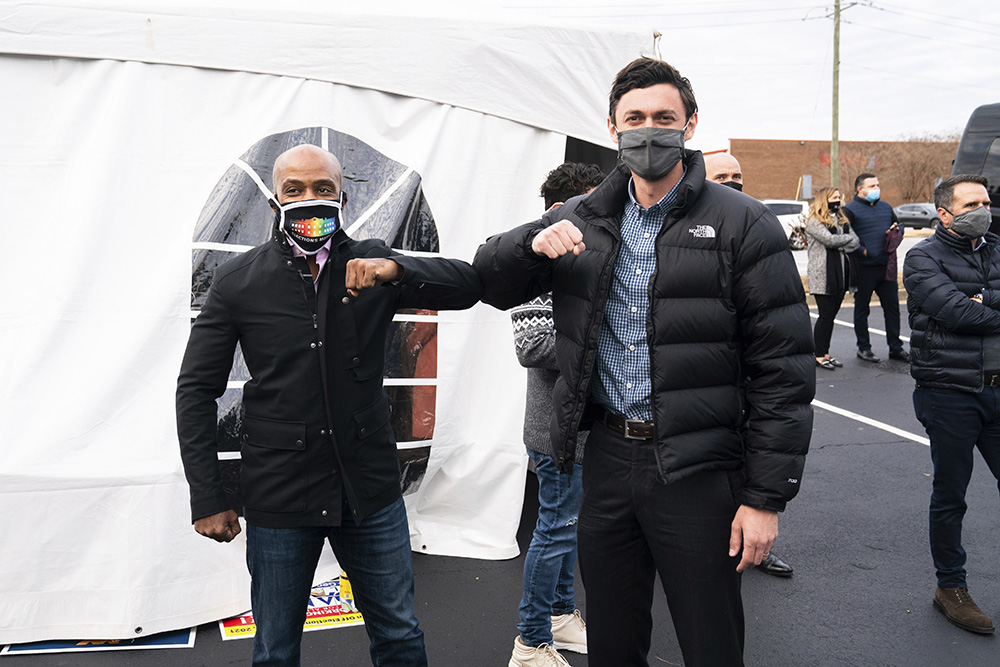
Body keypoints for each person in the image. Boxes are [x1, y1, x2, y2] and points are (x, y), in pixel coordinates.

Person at [474, 57, 815, 667]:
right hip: (606, 460)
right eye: (635, 118)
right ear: (612, 127)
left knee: (710, 640)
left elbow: (782, 373)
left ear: (689, 126)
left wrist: (766, 498)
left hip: (698, 467)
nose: (648, 130)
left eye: (664, 117)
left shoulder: (744, 222)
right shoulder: (583, 216)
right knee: (612, 637)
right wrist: (529, 243)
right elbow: (487, 275)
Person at [176, 144, 481, 667]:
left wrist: (397, 269)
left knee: (400, 636)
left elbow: (470, 285)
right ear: (274, 200)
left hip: (367, 488)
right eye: (294, 190)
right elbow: (195, 389)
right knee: (275, 649)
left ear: (342, 196)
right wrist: (207, 494)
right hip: (278, 491)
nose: (309, 199)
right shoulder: (238, 281)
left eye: (322, 188)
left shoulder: (374, 260)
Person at [508, 162, 604, 667]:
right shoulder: (536, 265)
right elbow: (531, 344)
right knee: (556, 527)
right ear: (557, 211)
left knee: (568, 526)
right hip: (553, 430)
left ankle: (561, 618)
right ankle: (529, 642)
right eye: (589, 206)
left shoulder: (587, 261)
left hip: (584, 428)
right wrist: (606, 341)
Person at [903, 174, 1000, 635]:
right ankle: (950, 588)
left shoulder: (996, 247)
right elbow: (957, 312)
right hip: (951, 394)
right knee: (951, 496)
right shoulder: (922, 258)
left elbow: (976, 308)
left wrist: (987, 299)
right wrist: (977, 305)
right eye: (972, 203)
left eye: (985, 200)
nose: (983, 208)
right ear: (944, 213)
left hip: (998, 389)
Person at [702, 152, 795, 579]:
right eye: (723, 175)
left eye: (738, 175)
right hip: (708, 393)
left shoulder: (755, 224)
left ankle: (756, 546)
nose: (732, 182)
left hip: (750, 383)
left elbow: (776, 317)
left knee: (759, 467)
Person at [842, 172, 909, 363]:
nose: (876, 189)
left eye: (877, 185)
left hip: (886, 267)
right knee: (862, 310)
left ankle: (896, 347)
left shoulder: (886, 208)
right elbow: (845, 236)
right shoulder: (849, 210)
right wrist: (862, 251)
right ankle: (864, 348)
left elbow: (900, 225)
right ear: (860, 189)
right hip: (863, 269)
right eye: (872, 186)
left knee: (892, 309)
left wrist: (897, 230)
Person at [806, 187, 861, 370]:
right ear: (825, 199)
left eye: (839, 197)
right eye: (835, 197)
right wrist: (843, 241)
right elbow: (829, 241)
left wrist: (839, 241)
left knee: (831, 316)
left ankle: (825, 352)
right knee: (826, 315)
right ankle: (818, 354)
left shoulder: (841, 219)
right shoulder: (815, 221)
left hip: (841, 275)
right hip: (823, 275)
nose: (839, 200)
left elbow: (856, 241)